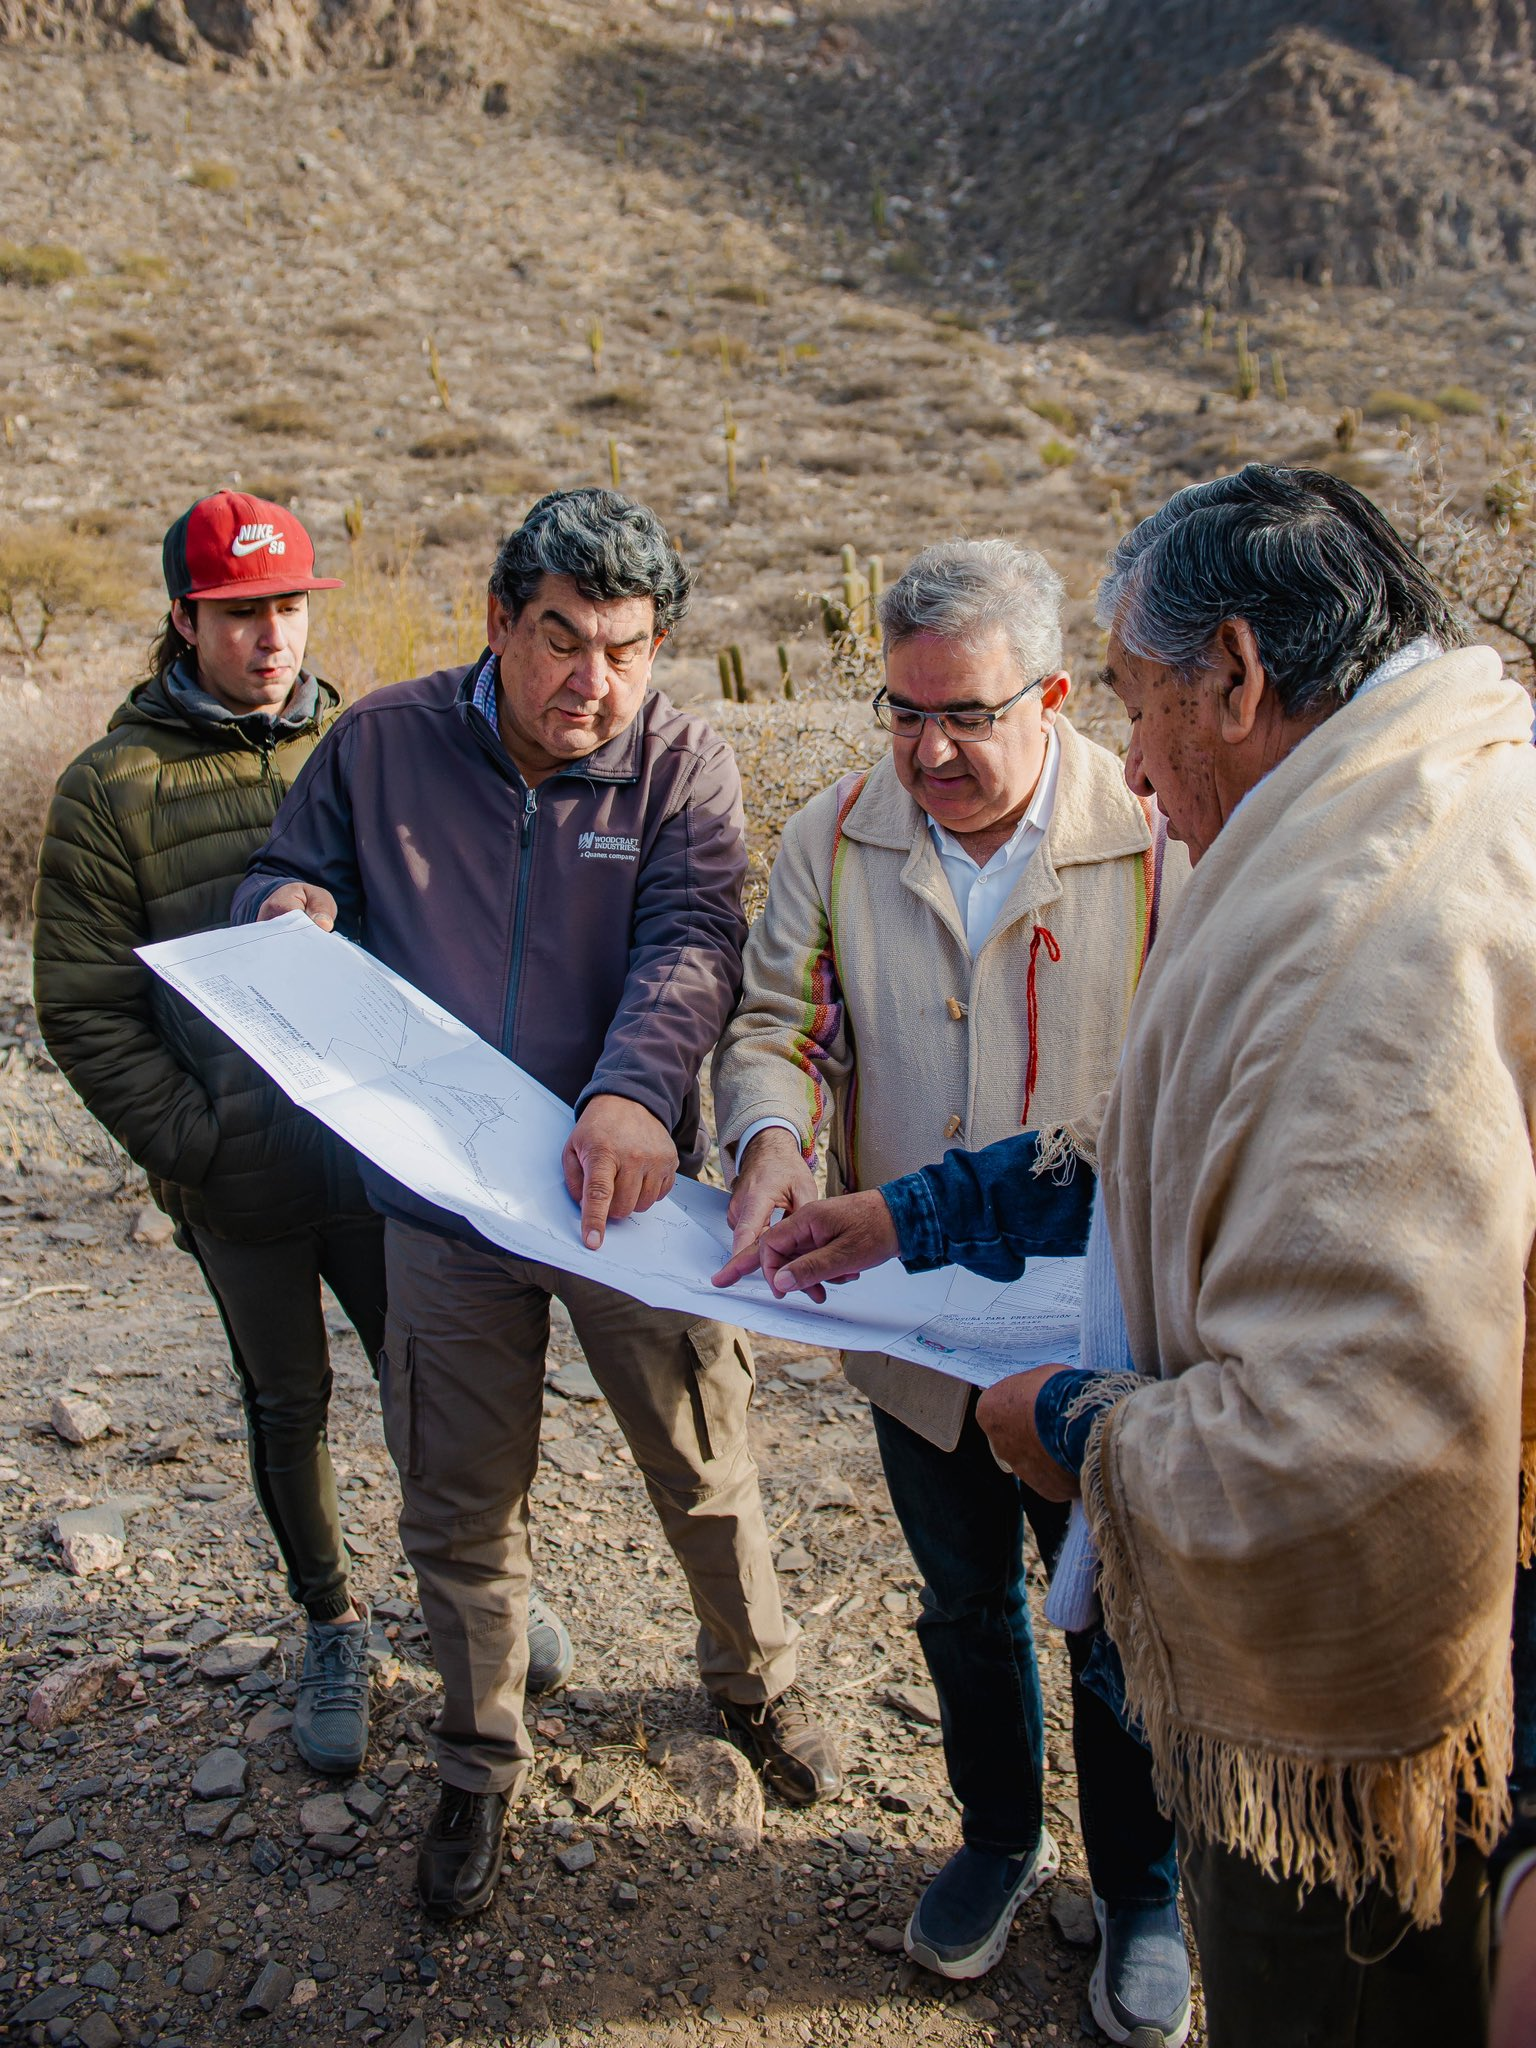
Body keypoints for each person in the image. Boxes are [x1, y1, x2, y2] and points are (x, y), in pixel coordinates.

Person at [921, 465, 1536, 2047]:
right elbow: (1163, 1153)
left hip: (1357, 1734)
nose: (1129, 761)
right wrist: (923, 1215)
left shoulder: (1371, 938)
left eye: (1136, 701)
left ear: (1241, 677)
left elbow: (1351, 1434)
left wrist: (1065, 1427)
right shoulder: (1438, 793)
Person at [230, 487, 841, 1923]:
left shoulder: (681, 762)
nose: (594, 683)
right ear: (498, 623)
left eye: (627, 649)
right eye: (562, 641)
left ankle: (756, 1683)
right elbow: (286, 874)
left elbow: (695, 933)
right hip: (443, 1213)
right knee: (458, 1500)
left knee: (703, 1464)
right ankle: (480, 1756)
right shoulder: (379, 743)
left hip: (621, 1202)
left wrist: (632, 1090)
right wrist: (288, 915)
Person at [710, 539, 1190, 2042]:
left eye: (968, 716)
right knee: (965, 1601)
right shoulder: (836, 835)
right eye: (903, 715)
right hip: (908, 1327)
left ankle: (1145, 1889)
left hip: (1100, 1328)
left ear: (1051, 695)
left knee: (1119, 1623)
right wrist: (774, 1132)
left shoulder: (1160, 838)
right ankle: (997, 1837)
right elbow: (777, 1017)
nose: (930, 752)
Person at [33, 493, 392, 1777]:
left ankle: (473, 1590)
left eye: (289, 606)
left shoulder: (361, 752)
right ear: (184, 617)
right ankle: (333, 1620)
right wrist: (195, 1141)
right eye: (241, 613)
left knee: (430, 1372)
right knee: (288, 1398)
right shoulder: (108, 789)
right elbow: (83, 1006)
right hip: (234, 1176)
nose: (271, 636)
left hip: (369, 1155)